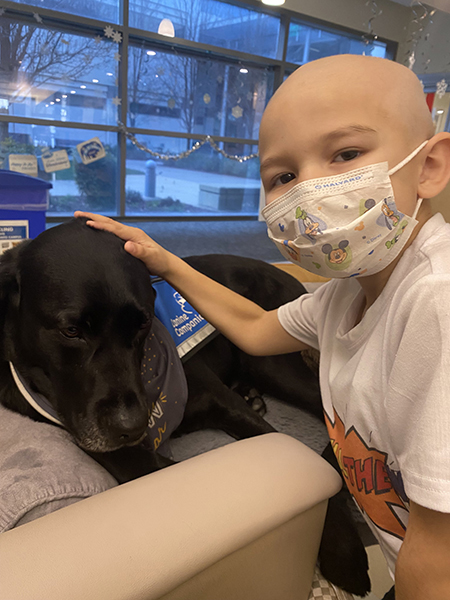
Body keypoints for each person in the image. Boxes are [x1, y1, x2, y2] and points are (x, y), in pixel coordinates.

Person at [75, 54, 450, 600]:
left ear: (431, 167)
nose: (309, 193)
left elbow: (438, 560)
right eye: (284, 176)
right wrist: (164, 261)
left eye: (346, 153)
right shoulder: (346, 294)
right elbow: (253, 326)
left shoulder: (435, 304)